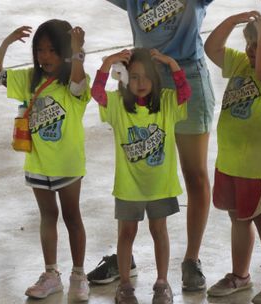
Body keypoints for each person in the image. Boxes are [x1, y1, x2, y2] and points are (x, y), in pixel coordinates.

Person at [89, 0, 216, 290]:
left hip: (186, 75)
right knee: (135, 166)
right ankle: (126, 257)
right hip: (142, 76)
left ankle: (191, 260)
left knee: (194, 174)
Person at [0, 20, 90, 301]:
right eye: (40, 50)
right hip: (37, 165)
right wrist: (6, 42)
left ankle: (79, 275)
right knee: (48, 217)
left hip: (67, 165)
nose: (45, 56)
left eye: (52, 50)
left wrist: (78, 53)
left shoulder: (72, 82)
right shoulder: (29, 80)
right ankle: (51, 274)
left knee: (72, 217)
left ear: (64, 53)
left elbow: (80, 87)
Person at [203, 11, 261, 303]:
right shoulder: (242, 64)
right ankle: (240, 275)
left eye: (258, 44)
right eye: (250, 43)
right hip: (231, 162)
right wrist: (234, 20)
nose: (251, 50)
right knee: (238, 219)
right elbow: (211, 49)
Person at [91, 47, 191, 303]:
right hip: (128, 187)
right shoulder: (117, 105)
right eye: (134, 77)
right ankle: (124, 284)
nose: (141, 82)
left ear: (156, 79)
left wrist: (172, 63)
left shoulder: (167, 102)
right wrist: (108, 62)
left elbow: (185, 93)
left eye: (146, 77)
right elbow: (97, 93)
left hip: (161, 186)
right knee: (126, 234)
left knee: (160, 231)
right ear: (125, 79)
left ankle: (162, 281)